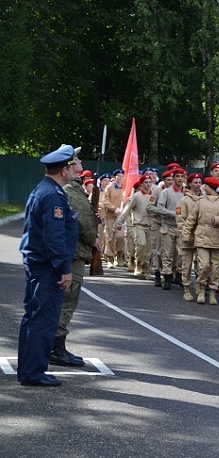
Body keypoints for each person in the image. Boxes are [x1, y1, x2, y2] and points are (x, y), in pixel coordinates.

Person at [18, 145, 80, 386]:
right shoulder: (53, 195)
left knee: (34, 318)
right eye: (72, 165)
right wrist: (64, 269)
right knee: (43, 320)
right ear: (64, 170)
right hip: (47, 268)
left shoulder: (46, 189)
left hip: (38, 265)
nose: (75, 169)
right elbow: (54, 238)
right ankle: (33, 372)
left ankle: (29, 369)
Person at [51, 153, 98, 367]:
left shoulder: (71, 188)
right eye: (77, 160)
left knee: (65, 300)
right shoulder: (73, 189)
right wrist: (94, 238)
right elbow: (83, 223)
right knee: (68, 301)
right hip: (75, 252)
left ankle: (55, 345)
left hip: (73, 250)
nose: (81, 161)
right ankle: (56, 348)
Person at [183, 177, 219, 304]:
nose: (203, 187)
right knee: (204, 265)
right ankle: (201, 289)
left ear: (210, 187)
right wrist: (186, 234)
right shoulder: (200, 202)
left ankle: (212, 292)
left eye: (205, 185)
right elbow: (191, 219)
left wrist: (217, 220)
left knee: (215, 267)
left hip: (217, 238)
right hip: (202, 237)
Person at [116, 175, 156, 279]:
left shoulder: (155, 195)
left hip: (151, 225)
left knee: (149, 249)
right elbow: (127, 209)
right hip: (139, 225)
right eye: (145, 182)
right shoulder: (137, 196)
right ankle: (138, 265)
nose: (148, 184)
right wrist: (119, 222)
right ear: (142, 184)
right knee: (141, 244)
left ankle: (145, 268)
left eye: (149, 182)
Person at [156, 168, 186, 290]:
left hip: (181, 227)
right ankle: (167, 277)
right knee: (167, 253)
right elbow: (160, 208)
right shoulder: (166, 192)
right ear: (173, 178)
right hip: (168, 226)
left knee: (182, 253)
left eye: (181, 176)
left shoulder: (186, 192)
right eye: (177, 176)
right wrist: (173, 214)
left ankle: (178, 275)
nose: (179, 179)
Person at [177, 172, 203, 301]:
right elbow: (180, 220)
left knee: (202, 264)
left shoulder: (204, 200)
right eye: (195, 183)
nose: (198, 185)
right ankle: (186, 288)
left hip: (202, 236)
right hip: (188, 236)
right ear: (190, 184)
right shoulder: (184, 201)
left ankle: (199, 284)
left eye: (199, 182)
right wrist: (186, 234)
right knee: (186, 264)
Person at [102, 168, 125, 268]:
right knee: (110, 237)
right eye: (118, 176)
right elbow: (105, 200)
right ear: (114, 177)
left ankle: (119, 256)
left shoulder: (125, 187)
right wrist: (114, 208)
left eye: (121, 176)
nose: (120, 178)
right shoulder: (109, 187)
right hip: (110, 216)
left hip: (121, 217)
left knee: (120, 237)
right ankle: (110, 258)